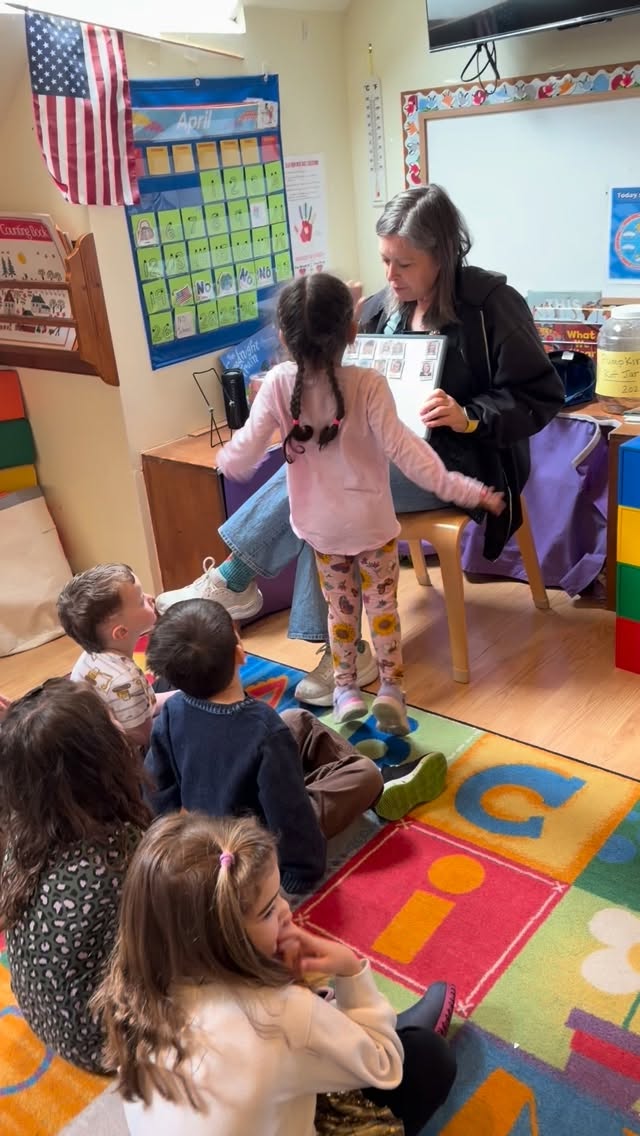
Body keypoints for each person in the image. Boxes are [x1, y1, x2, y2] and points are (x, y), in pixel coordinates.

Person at [156, 184, 565, 708]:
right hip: (380, 449)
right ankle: (325, 640)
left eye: (404, 264)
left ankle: (271, 604)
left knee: (326, 477)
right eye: (385, 260)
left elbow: (541, 395)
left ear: (442, 254)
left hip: (463, 454)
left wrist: (469, 416)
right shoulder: (384, 306)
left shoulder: (492, 305)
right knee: (318, 471)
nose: (390, 276)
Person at [214, 272, 504, 734]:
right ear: (352, 332)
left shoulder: (277, 384)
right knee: (383, 610)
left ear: (285, 337)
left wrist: (225, 459)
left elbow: (244, 453)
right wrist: (465, 489)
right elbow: (410, 454)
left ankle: (346, 690)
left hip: (322, 532)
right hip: (372, 528)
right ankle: (391, 691)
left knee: (341, 613)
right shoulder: (369, 384)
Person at [92, 812, 458, 1136]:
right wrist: (348, 969)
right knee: (426, 1058)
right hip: (310, 1057)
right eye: (267, 910)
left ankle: (357, 1028)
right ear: (223, 938)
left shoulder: (138, 991)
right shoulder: (282, 1014)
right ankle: (375, 1027)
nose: (286, 910)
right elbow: (386, 1066)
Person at [145, 600, 447, 893]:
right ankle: (381, 783)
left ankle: (339, 780)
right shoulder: (264, 730)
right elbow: (288, 818)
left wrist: (179, 840)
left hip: (212, 825)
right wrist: (300, 872)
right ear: (240, 653)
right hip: (256, 840)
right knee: (365, 773)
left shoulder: (172, 711)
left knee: (296, 718)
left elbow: (158, 785)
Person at [0, 678, 151, 1073]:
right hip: (105, 1042)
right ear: (99, 762)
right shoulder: (118, 853)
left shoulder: (23, 831)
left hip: (47, 1016)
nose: (120, 724)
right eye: (110, 721)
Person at [58, 563, 176, 747]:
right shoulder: (126, 681)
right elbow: (145, 737)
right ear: (121, 632)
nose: (151, 598)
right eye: (141, 600)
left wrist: (181, 696)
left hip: (124, 722)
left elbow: (149, 704)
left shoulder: (91, 654)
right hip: (129, 753)